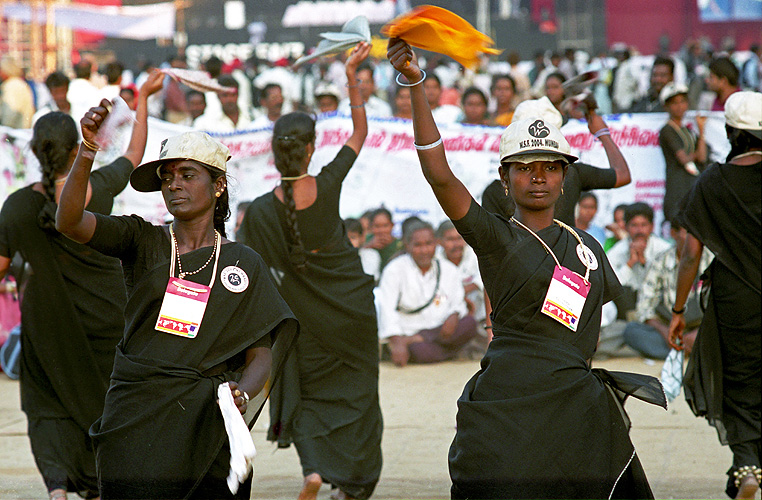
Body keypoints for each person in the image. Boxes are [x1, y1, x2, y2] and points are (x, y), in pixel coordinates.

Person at [387, 37, 665, 498]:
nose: (539, 176)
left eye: (551, 167)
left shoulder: (586, 247)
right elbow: (438, 172)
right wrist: (417, 84)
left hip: (573, 400)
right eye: (525, 167)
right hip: (506, 403)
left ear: (564, 177)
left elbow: (589, 333)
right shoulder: (494, 235)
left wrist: (577, 382)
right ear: (505, 178)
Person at [55, 125, 298, 497]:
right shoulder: (141, 239)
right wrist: (88, 148)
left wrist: (242, 395)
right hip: (135, 418)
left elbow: (260, 353)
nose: (173, 185)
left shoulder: (242, 263)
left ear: (218, 185)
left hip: (206, 423)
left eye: (188, 174)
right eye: (166, 177)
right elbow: (69, 221)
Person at [0, 71, 164, 500]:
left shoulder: (16, 207)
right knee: (105, 408)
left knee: (47, 408)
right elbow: (135, 151)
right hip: (108, 324)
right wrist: (144, 97)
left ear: (34, 153)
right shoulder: (99, 190)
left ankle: (57, 487)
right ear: (76, 148)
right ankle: (98, 486)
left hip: (47, 332)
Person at [237, 42, 382, 500]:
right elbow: (360, 130)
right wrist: (351, 72)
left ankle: (315, 470)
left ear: (275, 152)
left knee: (305, 397)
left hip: (300, 325)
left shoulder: (259, 211)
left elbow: (250, 271)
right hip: (352, 316)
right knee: (358, 399)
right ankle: (351, 483)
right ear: (312, 149)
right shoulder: (330, 183)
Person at [669, 91, 761, 500]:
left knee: (738, 382)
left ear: (730, 133)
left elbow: (690, 253)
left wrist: (677, 310)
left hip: (734, 299)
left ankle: (746, 467)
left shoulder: (712, 181)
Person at [481, 95, 631, 226]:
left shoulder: (494, 191)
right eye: (525, 168)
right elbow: (622, 175)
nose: (538, 179)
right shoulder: (574, 173)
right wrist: (602, 133)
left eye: (551, 168)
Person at [377, 220, 477, 367]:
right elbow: (386, 308)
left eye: (428, 244)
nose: (424, 250)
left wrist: (454, 315)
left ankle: (424, 344)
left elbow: (458, 303)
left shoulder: (448, 270)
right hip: (408, 332)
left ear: (436, 243)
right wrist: (397, 343)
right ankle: (437, 350)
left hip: (442, 330)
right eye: (418, 245)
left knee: (469, 324)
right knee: (421, 351)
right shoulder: (394, 270)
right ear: (407, 245)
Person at [622, 217, 712, 359]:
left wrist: (699, 333)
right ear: (673, 233)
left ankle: (685, 349)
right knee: (631, 331)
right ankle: (686, 349)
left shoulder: (710, 259)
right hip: (668, 327)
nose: (694, 238)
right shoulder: (660, 261)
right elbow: (644, 307)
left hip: (701, 328)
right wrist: (666, 333)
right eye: (687, 232)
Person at [607, 202, 672, 319]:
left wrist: (644, 263)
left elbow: (667, 284)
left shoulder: (663, 249)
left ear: (652, 226)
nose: (639, 230)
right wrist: (630, 263)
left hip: (657, 306)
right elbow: (610, 285)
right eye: (634, 225)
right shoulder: (618, 251)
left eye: (644, 225)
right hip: (627, 309)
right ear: (626, 227)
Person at [658, 82, 708, 222]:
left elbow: (702, 157)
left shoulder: (688, 130)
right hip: (677, 188)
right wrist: (695, 155)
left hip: (690, 187)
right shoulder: (667, 130)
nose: (679, 106)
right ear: (666, 106)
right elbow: (684, 159)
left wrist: (701, 130)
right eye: (674, 103)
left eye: (682, 101)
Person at [436, 220, 485, 322]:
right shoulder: (434, 259)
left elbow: (483, 278)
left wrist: (461, 292)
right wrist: (459, 296)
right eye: (450, 239)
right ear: (439, 242)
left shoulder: (475, 253)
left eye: (459, 238)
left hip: (479, 310)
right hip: (446, 311)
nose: (456, 244)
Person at [365, 207, 403, 271]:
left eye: (385, 226)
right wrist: (368, 246)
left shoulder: (400, 245)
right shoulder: (365, 240)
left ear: (392, 225)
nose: (381, 230)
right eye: (377, 226)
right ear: (371, 227)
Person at [344, 217, 381, 282]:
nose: (348, 241)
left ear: (362, 238)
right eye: (345, 238)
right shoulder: (335, 257)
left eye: (353, 237)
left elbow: (367, 279)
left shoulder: (371, 255)